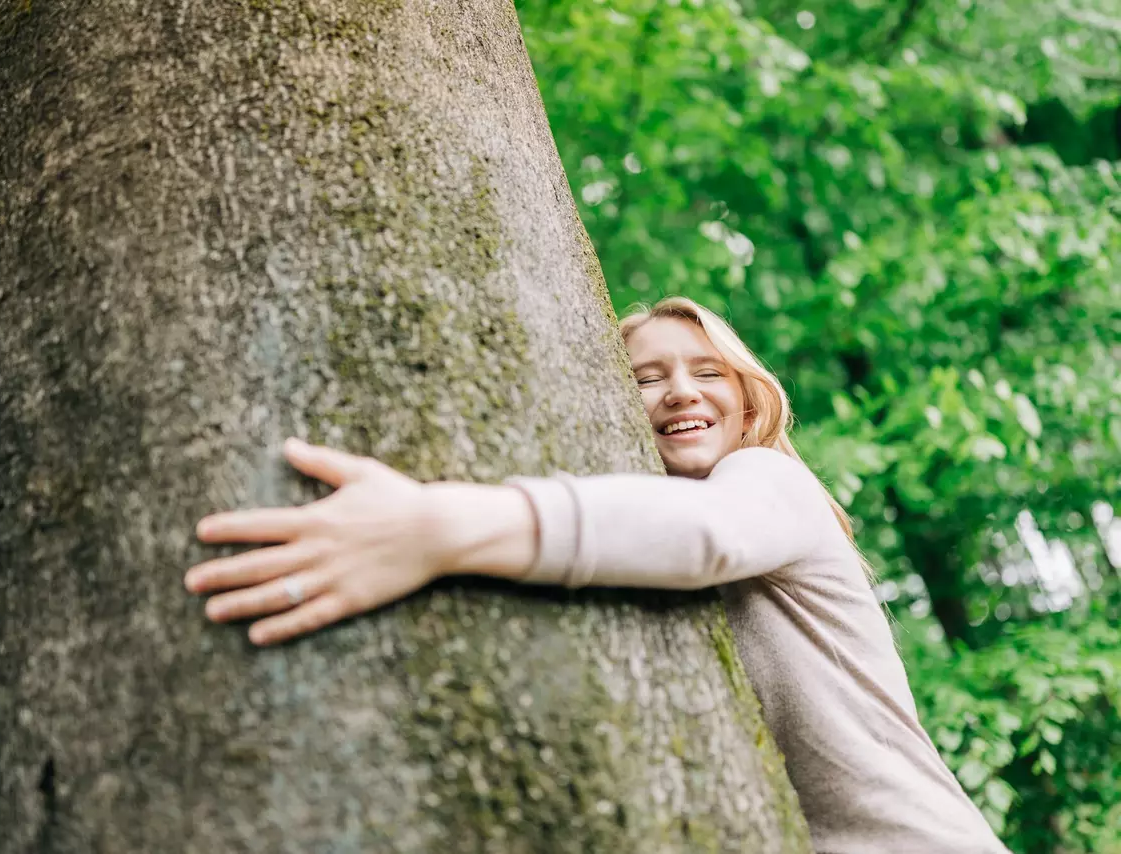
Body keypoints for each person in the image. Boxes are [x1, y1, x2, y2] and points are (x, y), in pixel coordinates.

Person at [184, 296, 1009, 853]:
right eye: (646, 378)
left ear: (751, 400)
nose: (678, 392)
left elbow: (710, 536)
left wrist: (437, 528)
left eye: (707, 372)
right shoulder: (653, 533)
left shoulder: (770, 480)